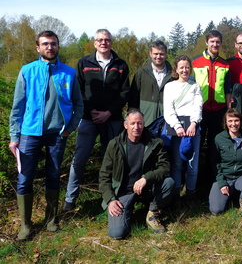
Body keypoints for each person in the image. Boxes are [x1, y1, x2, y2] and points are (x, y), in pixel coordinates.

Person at [9, 31, 83, 240]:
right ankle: (26, 224)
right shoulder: (27, 71)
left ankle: (51, 219)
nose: (50, 47)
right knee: (24, 178)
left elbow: (78, 105)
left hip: (57, 134)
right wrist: (14, 136)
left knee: (53, 175)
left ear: (58, 46)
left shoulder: (68, 73)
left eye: (53, 44)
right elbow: (17, 107)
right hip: (29, 133)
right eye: (45, 44)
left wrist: (69, 128)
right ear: (38, 48)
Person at [63, 29, 130, 211]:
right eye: (100, 40)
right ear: (94, 43)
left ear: (111, 42)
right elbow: (78, 91)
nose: (103, 43)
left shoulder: (121, 64)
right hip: (88, 119)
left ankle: (111, 198)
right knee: (79, 159)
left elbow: (124, 93)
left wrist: (109, 112)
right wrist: (91, 111)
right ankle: (70, 200)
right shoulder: (84, 63)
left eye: (107, 40)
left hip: (113, 119)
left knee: (112, 160)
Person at [99, 109, 175, 238]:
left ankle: (152, 213)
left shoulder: (154, 142)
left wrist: (146, 178)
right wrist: (110, 200)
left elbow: (165, 168)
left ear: (144, 124)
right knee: (117, 233)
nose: (136, 127)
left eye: (139, 123)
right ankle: (126, 212)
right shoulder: (115, 145)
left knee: (169, 183)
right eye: (133, 123)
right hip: (124, 192)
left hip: (146, 188)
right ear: (125, 125)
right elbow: (104, 176)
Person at [192, 30, 232, 179]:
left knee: (215, 146)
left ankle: (212, 178)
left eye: (218, 42)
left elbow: (228, 89)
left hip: (219, 111)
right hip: (200, 110)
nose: (215, 44)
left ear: (221, 43)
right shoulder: (195, 62)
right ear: (206, 42)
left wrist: (229, 110)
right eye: (212, 41)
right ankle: (195, 178)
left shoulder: (225, 64)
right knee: (197, 144)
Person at [163, 55, 203, 199]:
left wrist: (194, 124)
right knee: (177, 164)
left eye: (187, 67)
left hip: (193, 128)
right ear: (176, 69)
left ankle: (190, 194)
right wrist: (177, 127)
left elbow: (198, 106)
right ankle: (175, 195)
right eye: (181, 67)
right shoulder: (170, 86)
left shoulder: (195, 86)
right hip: (176, 129)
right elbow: (168, 109)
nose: (184, 70)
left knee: (193, 164)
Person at [209, 108, 242, 214]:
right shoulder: (219, 138)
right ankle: (231, 193)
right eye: (230, 121)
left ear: (240, 122)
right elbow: (215, 162)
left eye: (236, 120)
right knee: (216, 210)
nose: (233, 124)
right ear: (225, 123)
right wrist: (222, 183)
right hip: (225, 176)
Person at [129, 40, 173, 126]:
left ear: (166, 54)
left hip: (168, 122)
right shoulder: (141, 73)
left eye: (161, 54)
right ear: (150, 54)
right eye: (155, 54)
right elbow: (133, 98)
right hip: (146, 121)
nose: (158, 56)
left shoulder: (174, 74)